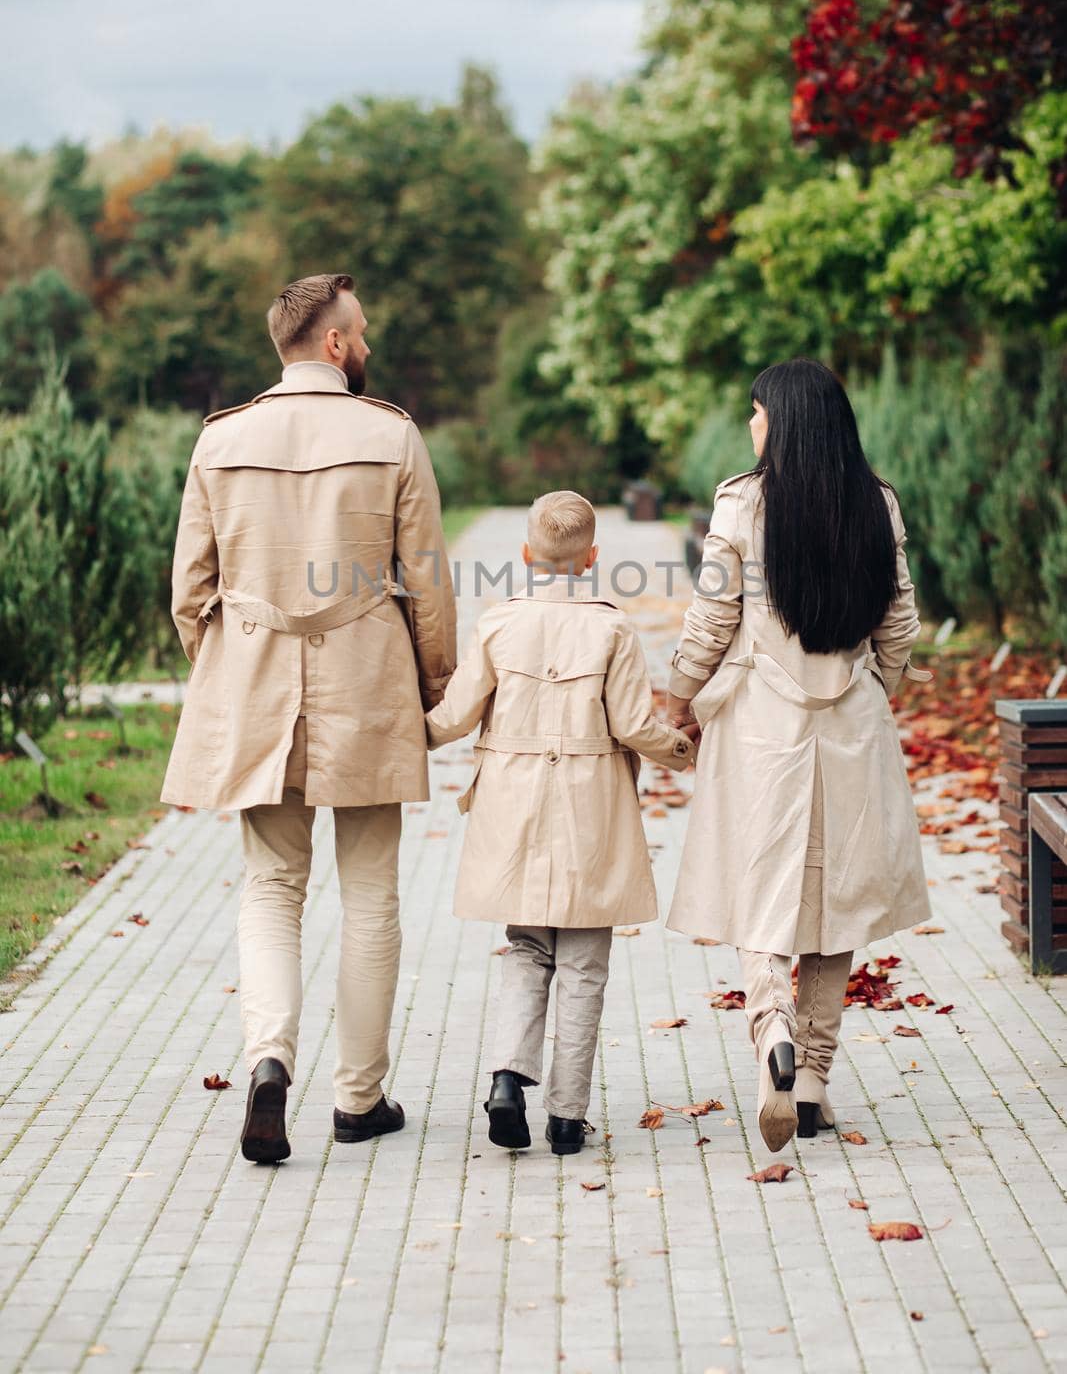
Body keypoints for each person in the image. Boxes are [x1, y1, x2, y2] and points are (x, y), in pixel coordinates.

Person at [161, 272, 456, 1163]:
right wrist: (431, 683)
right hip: (366, 678)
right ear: (333, 344)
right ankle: (359, 1100)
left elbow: (189, 593)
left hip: (252, 679)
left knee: (269, 888)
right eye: (359, 332)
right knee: (370, 894)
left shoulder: (221, 440)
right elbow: (431, 587)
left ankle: (268, 1064)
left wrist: (226, 675)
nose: (366, 344)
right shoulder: (392, 435)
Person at [663, 359, 931, 1153]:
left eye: (755, 413)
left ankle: (771, 1025)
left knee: (760, 883)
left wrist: (676, 698)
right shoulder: (874, 504)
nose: (750, 426)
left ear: (780, 422)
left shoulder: (740, 503)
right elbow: (900, 623)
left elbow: (712, 617)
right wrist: (873, 689)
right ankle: (810, 1080)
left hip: (759, 725)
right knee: (834, 896)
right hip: (850, 722)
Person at [425, 491, 695, 1156]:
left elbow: (453, 718)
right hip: (589, 804)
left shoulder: (497, 624)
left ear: (524, 554)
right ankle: (567, 1117)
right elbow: (632, 724)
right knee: (583, 961)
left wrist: (392, 737)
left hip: (512, 804)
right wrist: (684, 752)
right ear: (593, 557)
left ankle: (507, 1081)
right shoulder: (611, 630)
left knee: (526, 947)